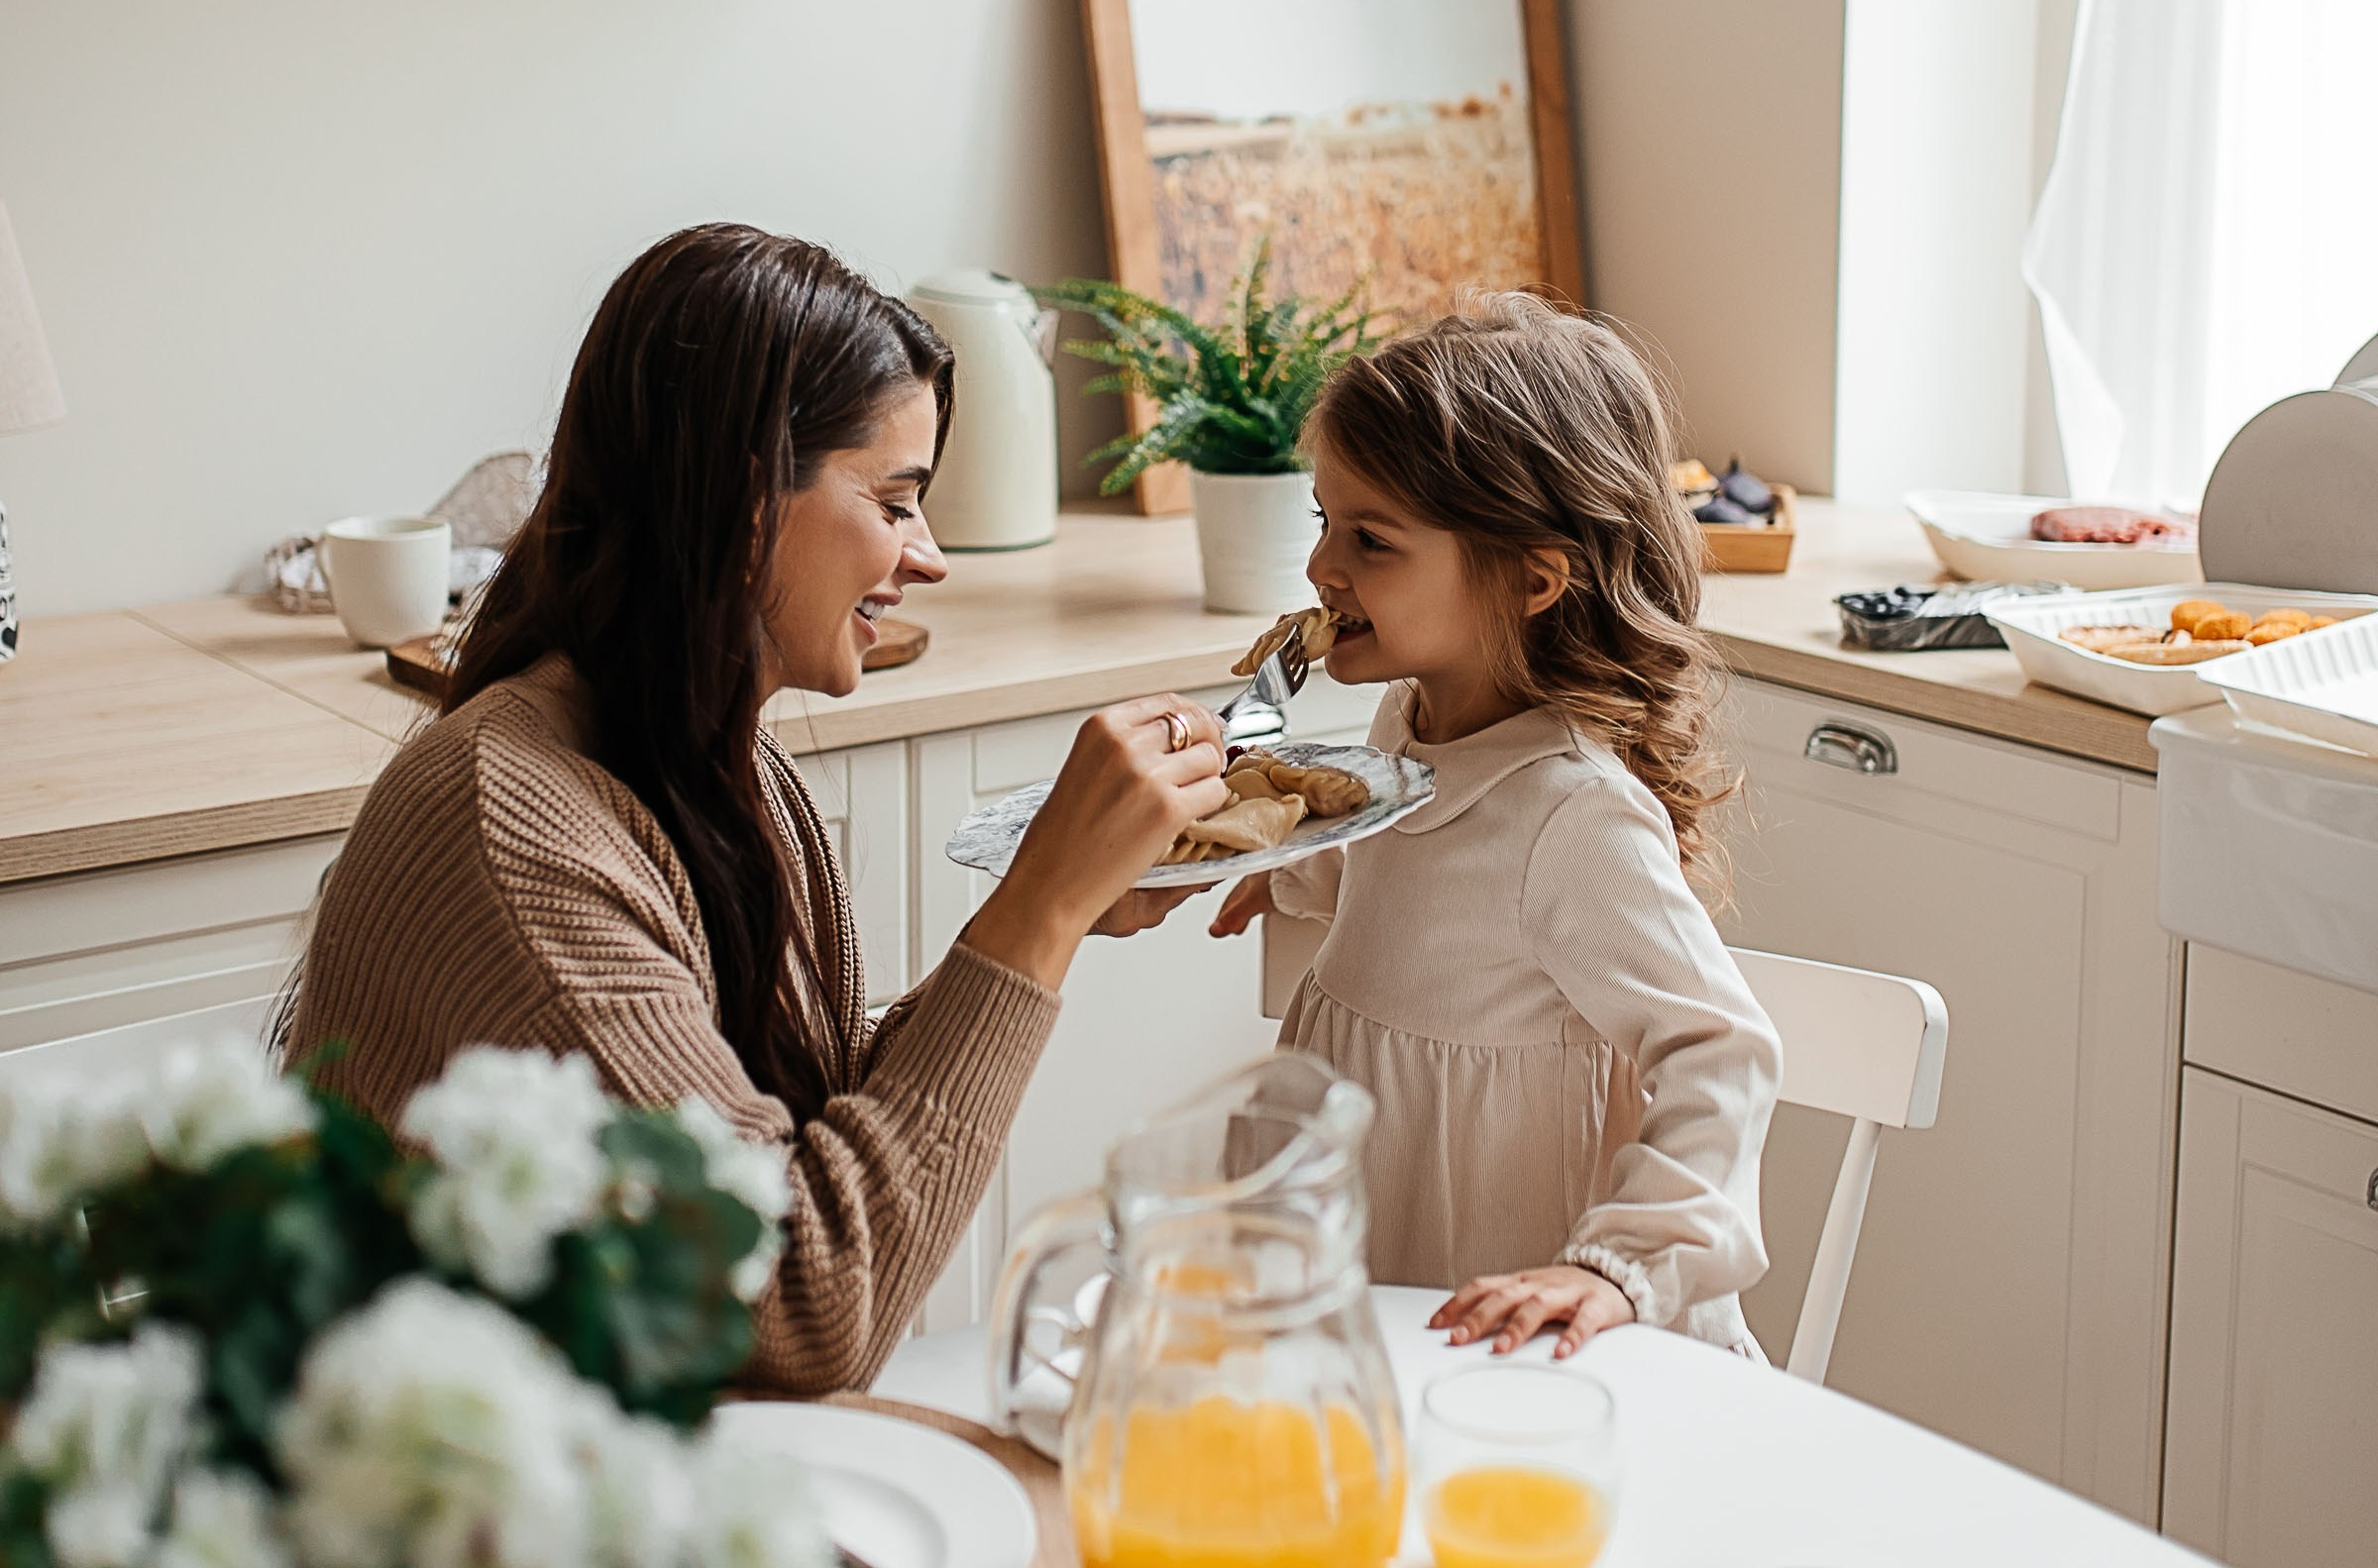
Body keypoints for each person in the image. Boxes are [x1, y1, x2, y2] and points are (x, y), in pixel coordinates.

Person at [283, 225, 1226, 1392]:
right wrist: (1034, 915)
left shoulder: (711, 757)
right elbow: (799, 1309)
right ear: (742, 503)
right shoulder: (515, 832)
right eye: (895, 502)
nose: (928, 558)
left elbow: (789, 1136)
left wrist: (1064, 904)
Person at [1212, 293, 1782, 1357]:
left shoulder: (1574, 815)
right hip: (1379, 1221)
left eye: (1371, 540)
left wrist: (1617, 1264)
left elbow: (1722, 1049)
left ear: (1531, 578)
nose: (1322, 569)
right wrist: (1292, 863)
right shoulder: (1408, 719)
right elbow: (1419, 877)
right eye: (1324, 521)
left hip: (1517, 1307)